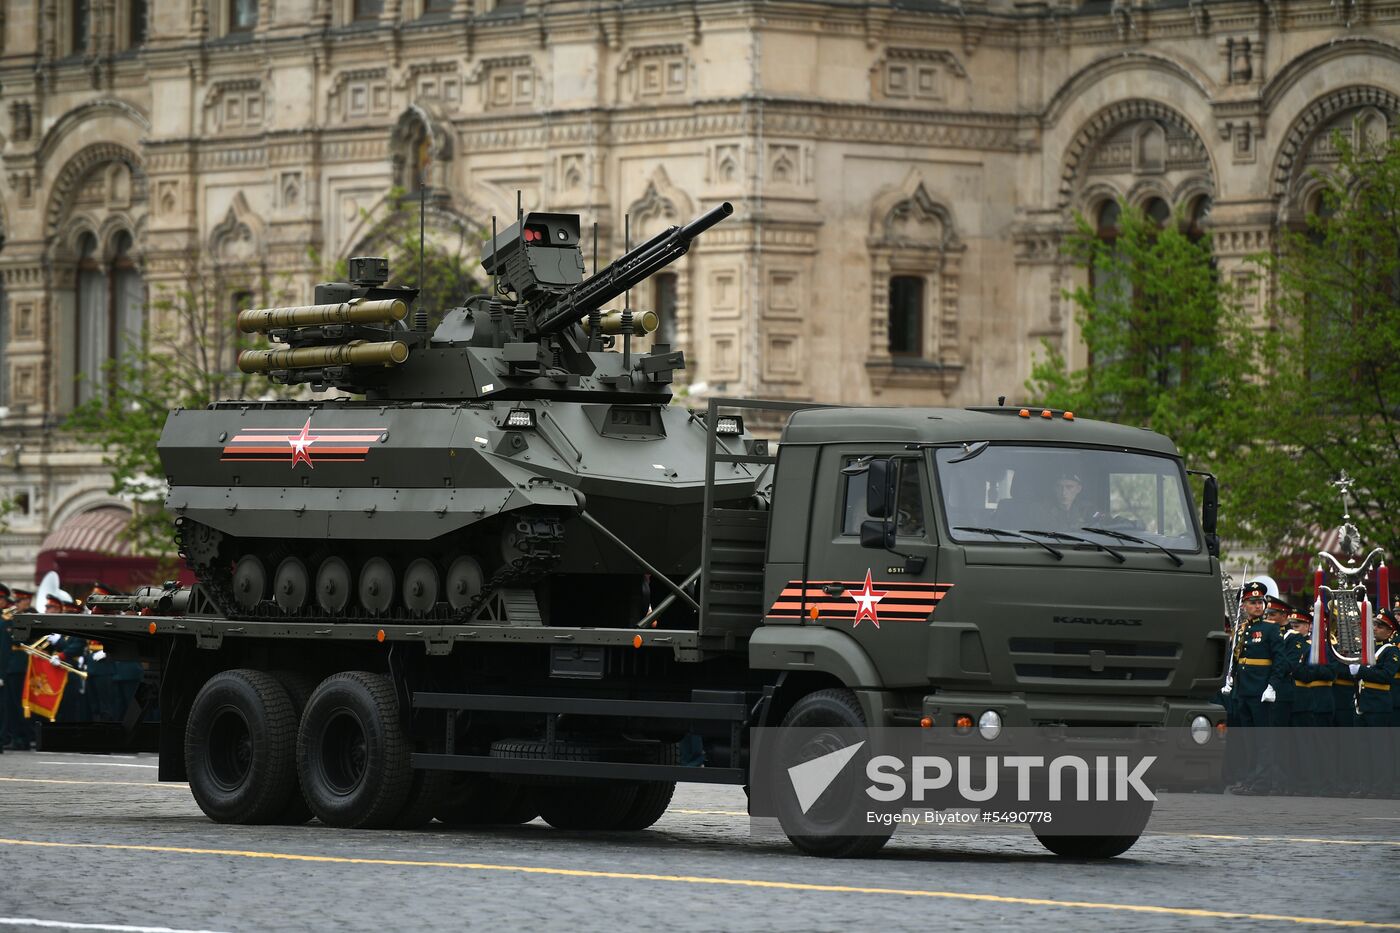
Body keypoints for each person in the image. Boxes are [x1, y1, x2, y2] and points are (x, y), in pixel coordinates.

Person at [1227, 581, 1288, 794]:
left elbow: (1280, 660)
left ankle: (1262, 782)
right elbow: (1237, 659)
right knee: (1249, 739)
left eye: (1260, 602)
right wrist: (1232, 679)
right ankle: (1250, 778)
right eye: (1252, 602)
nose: (1257, 606)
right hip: (1243, 690)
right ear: (1244, 605)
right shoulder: (1242, 629)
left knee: (1263, 739)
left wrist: (1272, 686)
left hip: (1261, 691)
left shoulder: (1270, 628)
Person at [1352, 608, 1398, 796]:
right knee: (1363, 749)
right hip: (1363, 703)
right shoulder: (1369, 648)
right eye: (1375, 624)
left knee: (1378, 749)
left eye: (1380, 626)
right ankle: (1366, 785)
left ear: (1390, 631)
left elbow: (1386, 675)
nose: (1375, 628)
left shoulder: (1391, 651)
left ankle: (1381, 786)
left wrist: (1360, 671)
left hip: (1378, 705)